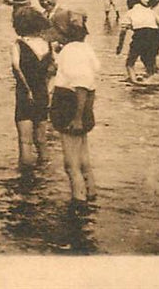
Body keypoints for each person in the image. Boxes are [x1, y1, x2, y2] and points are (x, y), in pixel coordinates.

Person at [50, 10, 99, 206]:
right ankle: (91, 194)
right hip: (84, 104)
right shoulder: (85, 48)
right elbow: (90, 83)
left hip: (69, 105)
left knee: (71, 164)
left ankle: (79, 202)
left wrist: (77, 117)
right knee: (83, 159)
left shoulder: (70, 52)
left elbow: (80, 84)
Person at [10, 7, 55, 168]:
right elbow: (52, 69)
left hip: (24, 93)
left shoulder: (18, 44)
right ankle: (44, 172)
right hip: (42, 92)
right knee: (41, 139)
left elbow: (16, 67)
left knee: (25, 141)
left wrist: (27, 89)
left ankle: (26, 177)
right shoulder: (46, 44)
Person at [116, 0, 159, 83]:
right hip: (154, 35)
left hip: (140, 35)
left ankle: (134, 81)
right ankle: (150, 80)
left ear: (130, 4)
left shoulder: (129, 13)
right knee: (148, 62)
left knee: (130, 63)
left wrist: (120, 46)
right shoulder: (150, 11)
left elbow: (123, 31)